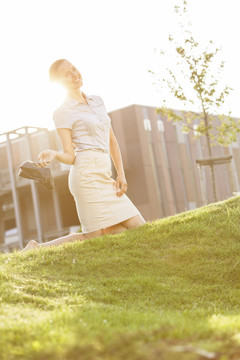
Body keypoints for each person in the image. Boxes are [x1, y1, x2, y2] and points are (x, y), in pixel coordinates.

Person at [22, 59, 146, 251]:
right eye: (67, 74)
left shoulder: (97, 101)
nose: (74, 74)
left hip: (104, 175)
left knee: (138, 228)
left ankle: (40, 247)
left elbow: (111, 140)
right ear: (59, 83)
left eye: (74, 69)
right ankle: (36, 248)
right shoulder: (62, 112)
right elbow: (70, 156)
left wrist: (120, 174)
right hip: (85, 176)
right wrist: (54, 154)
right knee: (92, 238)